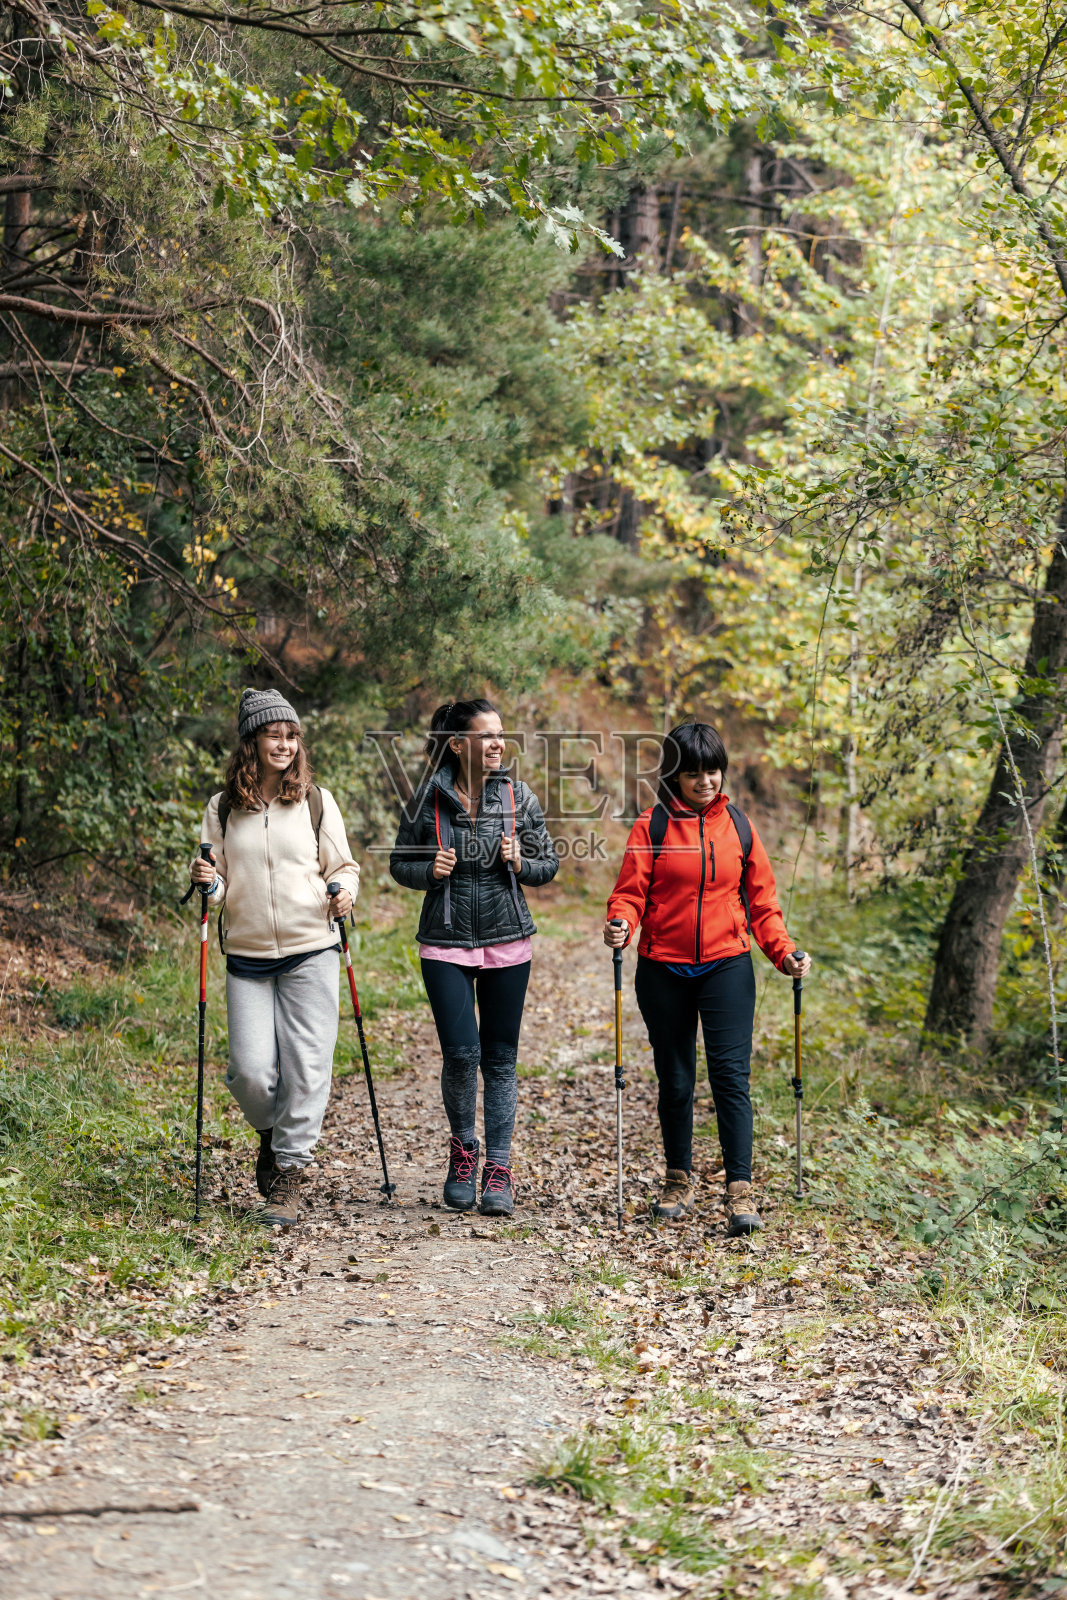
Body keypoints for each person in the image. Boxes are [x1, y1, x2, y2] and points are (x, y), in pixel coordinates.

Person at [603, 721, 811, 1234]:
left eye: (712, 770)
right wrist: (621, 924)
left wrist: (782, 953)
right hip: (662, 967)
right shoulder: (651, 827)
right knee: (675, 1080)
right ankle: (679, 1179)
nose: (705, 782)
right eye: (693, 773)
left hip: (727, 965)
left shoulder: (739, 826)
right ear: (674, 775)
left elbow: (762, 902)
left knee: (730, 1079)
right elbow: (630, 890)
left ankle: (739, 1189)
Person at [188, 688, 360, 1227]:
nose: (284, 744)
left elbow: (343, 866)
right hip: (247, 952)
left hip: (312, 946)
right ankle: (270, 1133)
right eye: (273, 734)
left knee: (308, 1067)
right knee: (249, 1073)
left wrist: (343, 890)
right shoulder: (221, 808)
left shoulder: (314, 800)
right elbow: (219, 887)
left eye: (291, 735)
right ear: (252, 741)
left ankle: (289, 1172)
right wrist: (208, 884)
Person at [389, 699, 558, 1217]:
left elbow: (547, 864)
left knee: (501, 1060)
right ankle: (463, 1153)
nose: (498, 744)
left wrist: (521, 861)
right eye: (487, 736)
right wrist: (429, 871)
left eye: (500, 735)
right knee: (462, 1054)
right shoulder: (428, 797)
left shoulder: (517, 795)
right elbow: (400, 862)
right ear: (458, 744)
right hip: (445, 939)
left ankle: (499, 1168)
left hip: (508, 939)